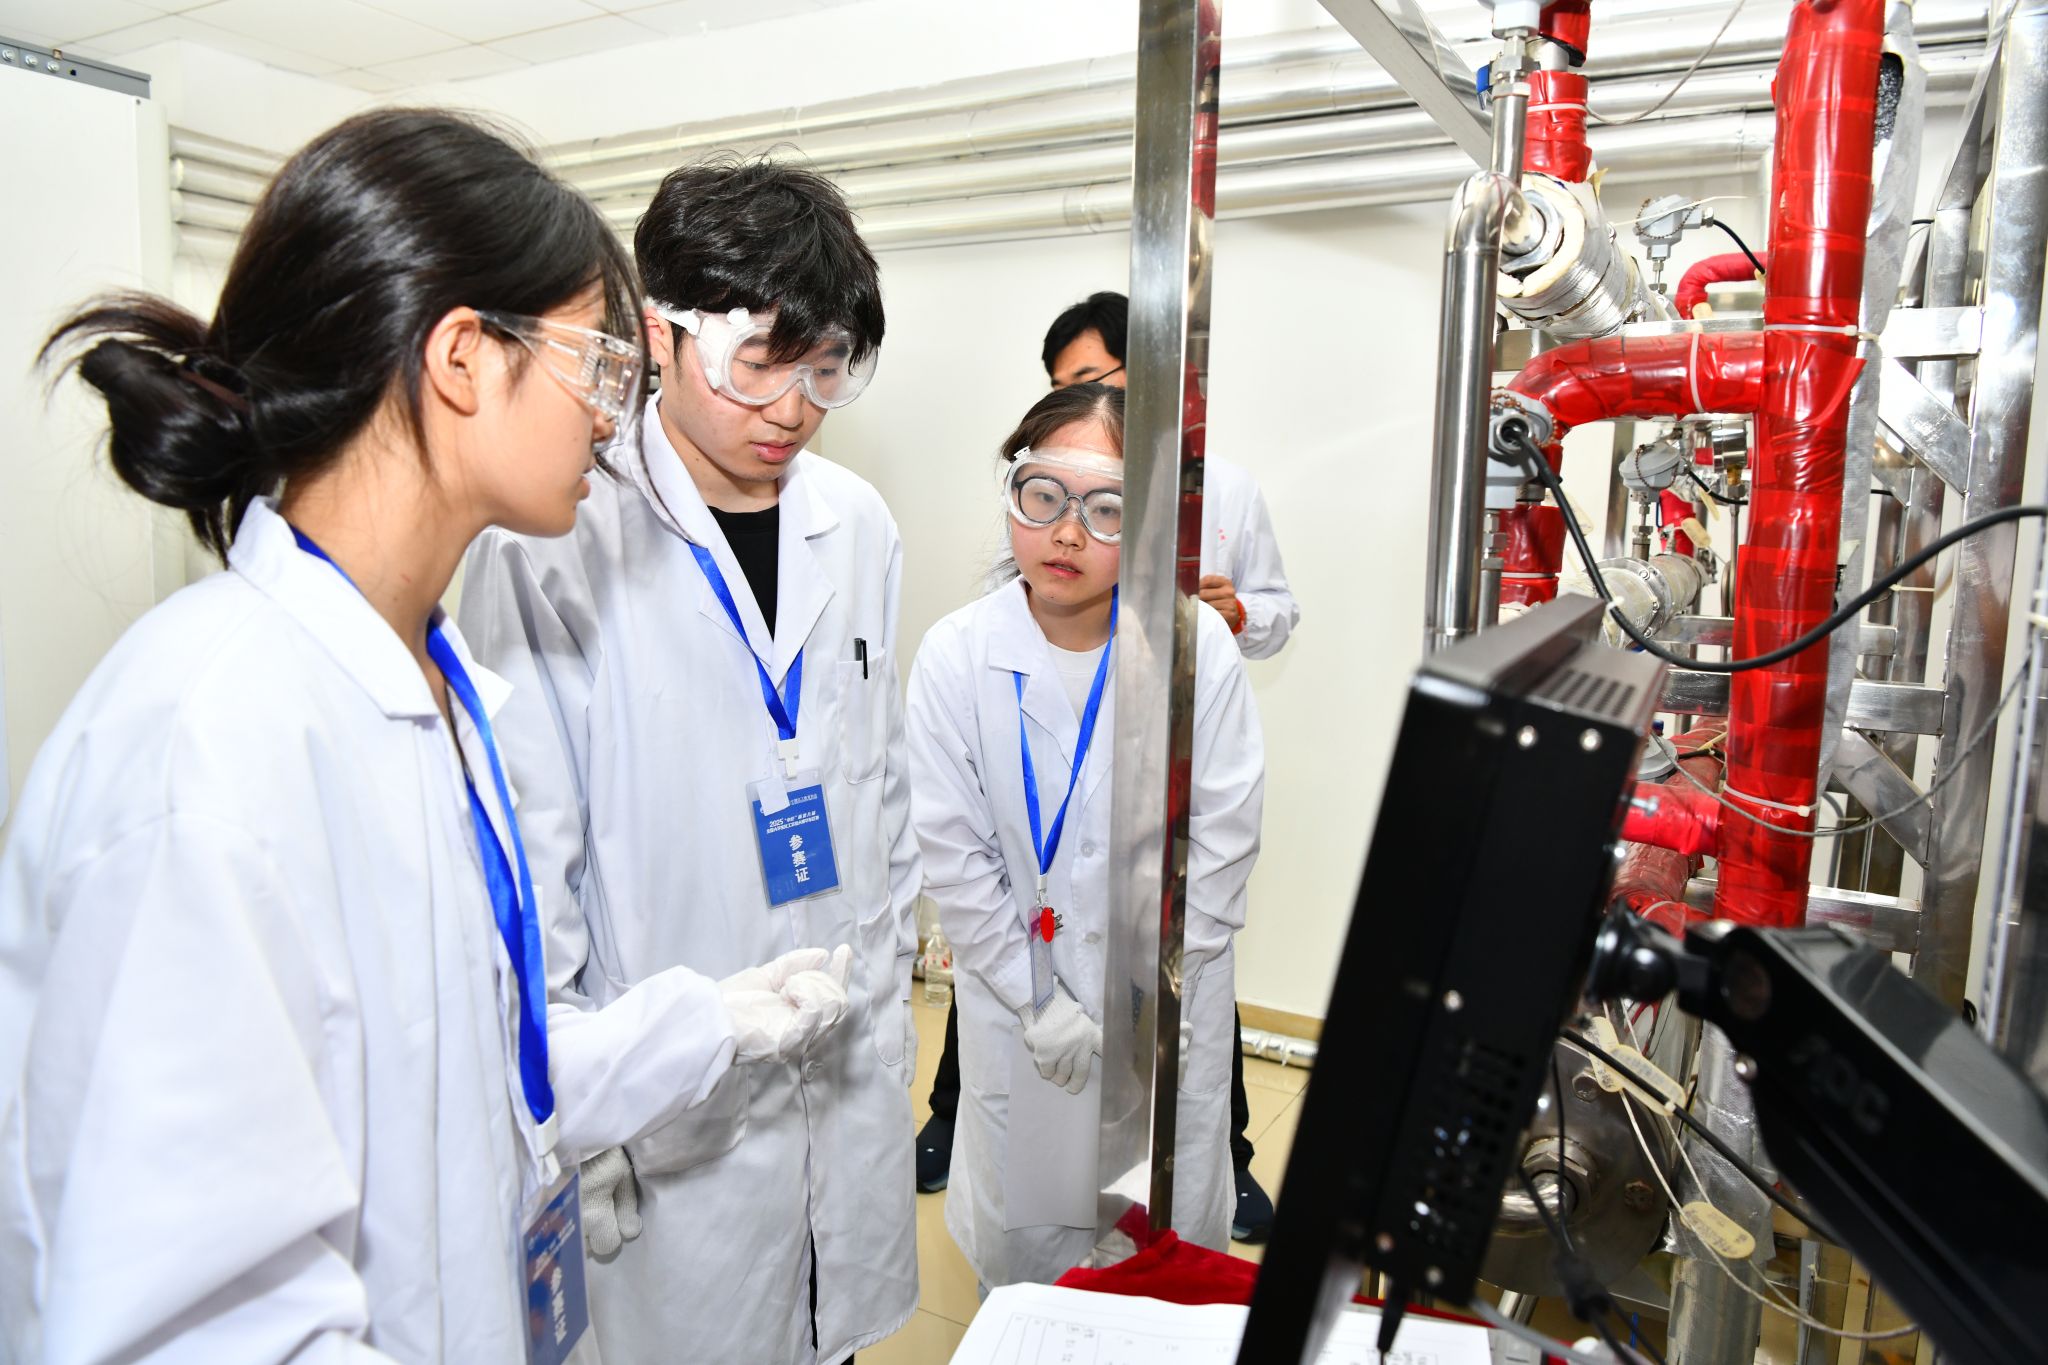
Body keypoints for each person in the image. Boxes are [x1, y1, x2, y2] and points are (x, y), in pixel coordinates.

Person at [0, 109, 851, 1363]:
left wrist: (700, 1026)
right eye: (595, 364)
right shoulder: (210, 743)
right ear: (462, 358)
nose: (610, 418)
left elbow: (467, 1074)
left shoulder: (421, 682)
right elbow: (186, 1326)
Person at [458, 155, 919, 1365]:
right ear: (659, 335)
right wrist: (580, 1120)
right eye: (758, 362)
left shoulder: (856, 526)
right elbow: (530, 864)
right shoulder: (551, 543)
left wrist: (889, 1012)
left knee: (828, 1332)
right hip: (662, 1114)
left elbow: (882, 796)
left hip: (841, 1062)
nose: (793, 407)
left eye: (825, 366)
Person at [916, 291, 1298, 1243]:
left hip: (1166, 1006)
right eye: (1042, 496)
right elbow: (955, 856)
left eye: (1106, 508)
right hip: (1020, 1010)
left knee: (1157, 1253)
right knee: (1031, 1252)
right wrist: (1036, 996)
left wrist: (1144, 1002)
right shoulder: (957, 654)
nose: (1067, 533)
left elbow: (1221, 845)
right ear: (1012, 494)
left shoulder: (1197, 649)